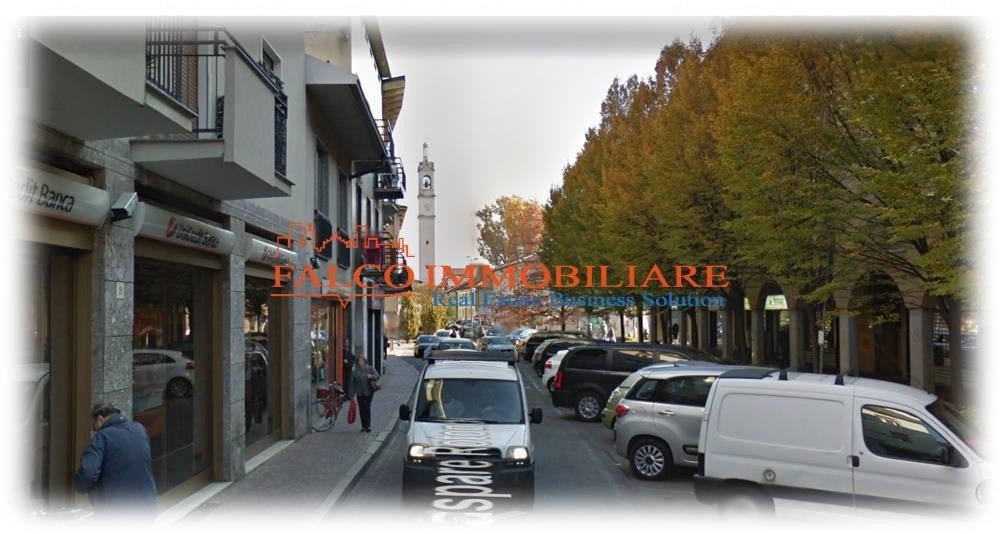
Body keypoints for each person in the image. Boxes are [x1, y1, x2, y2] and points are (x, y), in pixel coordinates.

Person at [74, 402, 157, 517]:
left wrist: (79, 486)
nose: (94, 430)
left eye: (94, 426)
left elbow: (88, 473)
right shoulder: (139, 429)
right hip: (147, 505)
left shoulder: (102, 437)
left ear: (100, 419)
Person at [350, 355, 381, 432]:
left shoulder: (369, 368)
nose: (360, 363)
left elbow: (377, 375)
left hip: (368, 392)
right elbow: (352, 383)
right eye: (359, 361)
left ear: (364, 361)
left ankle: (367, 426)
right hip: (359, 392)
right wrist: (352, 395)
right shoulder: (355, 371)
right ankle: (363, 425)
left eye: (362, 361)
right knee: (361, 409)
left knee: (367, 408)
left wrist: (372, 376)